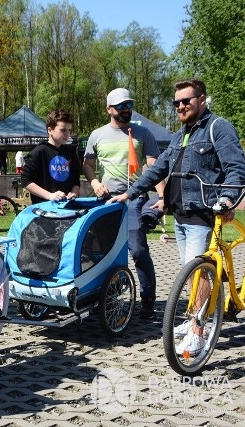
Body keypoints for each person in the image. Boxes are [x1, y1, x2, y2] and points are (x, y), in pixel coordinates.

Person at [110, 79, 245, 355]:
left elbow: (235, 168)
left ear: (202, 99)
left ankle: (199, 329)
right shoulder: (180, 135)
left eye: (187, 100)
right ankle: (193, 316)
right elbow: (157, 169)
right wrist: (131, 193)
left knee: (199, 273)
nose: (182, 106)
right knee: (190, 269)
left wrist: (227, 198)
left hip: (204, 211)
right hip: (180, 213)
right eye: (177, 103)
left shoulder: (217, 128)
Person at [82, 87, 166, 320]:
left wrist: (162, 196)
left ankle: (148, 298)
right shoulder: (97, 135)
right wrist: (95, 181)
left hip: (134, 197)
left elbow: (154, 167)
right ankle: (103, 296)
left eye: (129, 105)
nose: (126, 109)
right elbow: (87, 165)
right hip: (106, 199)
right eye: (121, 106)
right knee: (99, 250)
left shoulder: (143, 133)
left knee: (138, 249)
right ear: (109, 109)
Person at [20, 109, 80, 204]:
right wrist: (50, 196)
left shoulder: (71, 152)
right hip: (44, 209)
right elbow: (25, 180)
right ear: (50, 130)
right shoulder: (40, 151)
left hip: (67, 207)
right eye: (63, 130)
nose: (67, 134)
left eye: (69, 130)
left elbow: (76, 181)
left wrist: (74, 193)